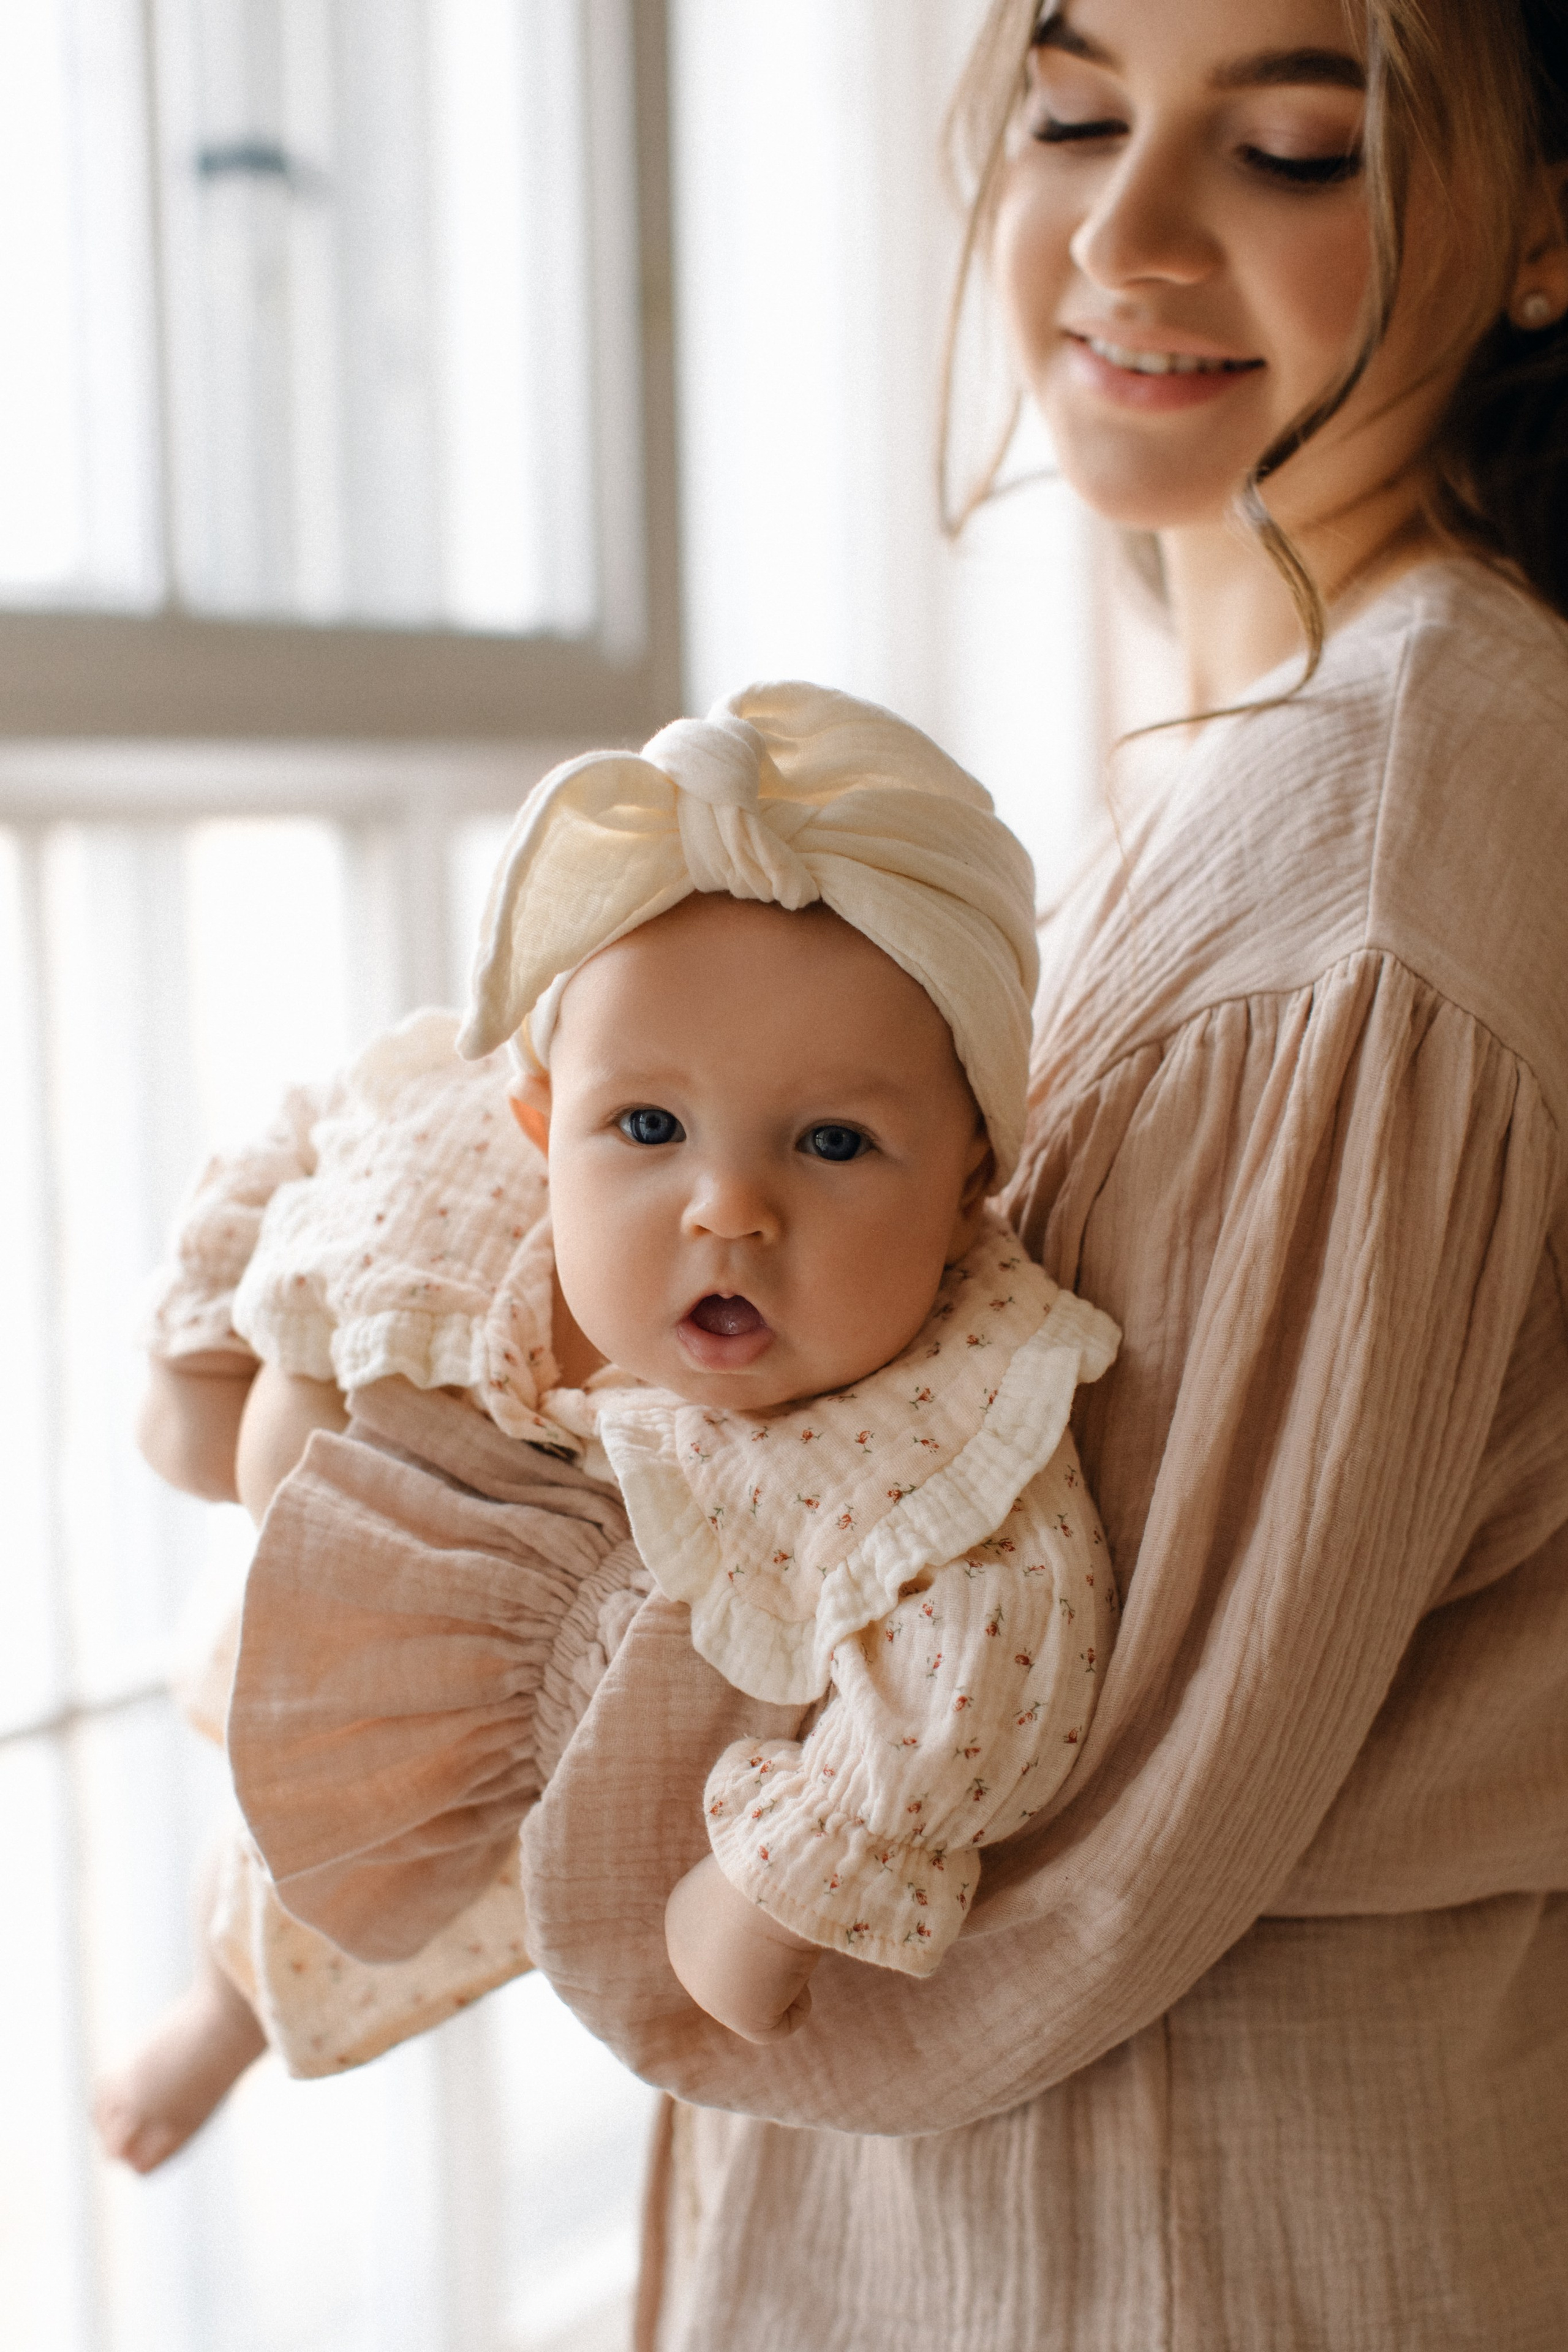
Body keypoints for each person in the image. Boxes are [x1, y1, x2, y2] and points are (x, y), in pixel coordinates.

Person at [477, 3, 1566, 2346]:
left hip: (1155, 2228)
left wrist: (521, 1686)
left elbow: (1078, 1799)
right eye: (1077, 113)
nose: (1127, 229)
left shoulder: (1361, 864)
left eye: (1288, 148)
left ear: (1547, 227)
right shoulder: (1303, 768)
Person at [96, 685, 1120, 2168]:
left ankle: (229, 2011)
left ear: (969, 1183)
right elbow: (318, 1130)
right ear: (539, 1123)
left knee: (330, 1906)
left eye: (832, 1143)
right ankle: (209, 1981)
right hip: (304, 1593)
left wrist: (783, 1880)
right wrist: (202, 1347)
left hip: (476, 1774)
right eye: (647, 1128)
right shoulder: (462, 1158)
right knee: (253, 1804)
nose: (728, 1207)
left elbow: (1004, 1648)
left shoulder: (941, 1401)